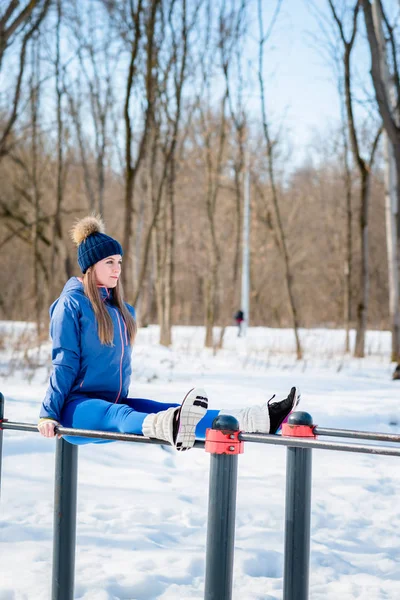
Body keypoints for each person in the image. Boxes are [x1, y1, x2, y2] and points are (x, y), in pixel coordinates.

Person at [38, 215, 300, 450]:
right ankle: (169, 426)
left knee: (171, 411)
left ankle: (255, 419)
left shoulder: (121, 311)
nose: (117, 268)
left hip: (115, 403)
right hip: (76, 409)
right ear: (91, 266)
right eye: (109, 262)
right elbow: (64, 362)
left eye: (119, 261)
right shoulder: (71, 305)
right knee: (122, 416)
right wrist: (48, 413)